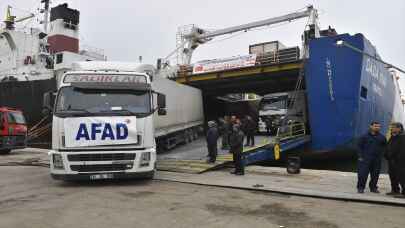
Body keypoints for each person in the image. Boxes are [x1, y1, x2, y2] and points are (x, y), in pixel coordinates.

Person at [357, 121, 387, 194]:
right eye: (375, 126)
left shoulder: (382, 137)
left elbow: (385, 147)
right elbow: (359, 147)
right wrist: (360, 156)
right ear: (371, 126)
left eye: (378, 126)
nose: (377, 127)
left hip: (377, 159)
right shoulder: (364, 136)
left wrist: (381, 155)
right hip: (365, 159)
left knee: (375, 175)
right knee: (362, 174)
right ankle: (361, 188)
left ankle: (373, 188)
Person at [384, 122, 405, 196]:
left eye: (393, 127)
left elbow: (402, 150)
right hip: (391, 161)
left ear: (399, 128)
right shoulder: (393, 137)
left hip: (400, 162)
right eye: (391, 127)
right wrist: (386, 155)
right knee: (393, 176)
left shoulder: (402, 137)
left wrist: (397, 158)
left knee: (402, 177)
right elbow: (388, 147)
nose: (391, 128)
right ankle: (395, 190)